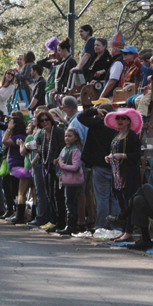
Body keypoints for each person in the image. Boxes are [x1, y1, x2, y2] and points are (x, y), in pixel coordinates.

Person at [77, 101, 120, 230]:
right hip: (115, 165)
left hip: (100, 165)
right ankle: (116, 226)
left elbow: (81, 116)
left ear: (102, 114)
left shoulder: (97, 124)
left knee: (102, 197)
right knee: (114, 197)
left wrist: (94, 111)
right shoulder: (118, 127)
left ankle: (101, 225)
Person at [103, 108, 143, 243]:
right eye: (118, 118)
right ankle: (124, 230)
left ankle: (128, 231)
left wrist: (123, 156)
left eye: (123, 118)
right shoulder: (117, 136)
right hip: (117, 174)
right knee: (121, 202)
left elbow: (137, 155)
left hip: (128, 174)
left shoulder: (132, 136)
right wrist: (109, 157)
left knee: (128, 203)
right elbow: (113, 151)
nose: (120, 121)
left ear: (129, 121)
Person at [62, 96, 94, 231]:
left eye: (63, 108)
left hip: (80, 162)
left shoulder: (76, 122)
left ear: (68, 108)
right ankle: (90, 220)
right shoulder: (82, 119)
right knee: (87, 192)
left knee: (81, 193)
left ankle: (81, 221)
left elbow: (79, 142)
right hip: (87, 160)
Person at [25, 110, 61, 230]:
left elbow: (62, 147)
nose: (45, 122)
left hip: (57, 166)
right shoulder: (41, 133)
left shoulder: (58, 132)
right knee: (49, 193)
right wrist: (29, 147)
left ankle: (58, 221)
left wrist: (58, 159)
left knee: (57, 194)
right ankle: (52, 219)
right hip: (46, 166)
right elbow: (34, 145)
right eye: (42, 121)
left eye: (47, 119)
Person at [56, 128, 84, 235]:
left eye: (70, 136)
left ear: (76, 138)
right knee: (68, 202)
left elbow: (76, 167)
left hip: (72, 181)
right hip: (65, 179)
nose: (67, 138)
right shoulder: (65, 148)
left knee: (70, 203)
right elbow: (60, 158)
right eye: (66, 136)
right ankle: (70, 225)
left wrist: (62, 165)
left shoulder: (76, 150)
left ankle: (71, 226)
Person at [5, 116, 31, 224]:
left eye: (10, 123)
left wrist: (8, 129)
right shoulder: (21, 136)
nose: (8, 124)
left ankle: (20, 215)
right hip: (19, 165)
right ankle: (20, 214)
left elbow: (4, 141)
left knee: (19, 192)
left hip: (18, 166)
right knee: (18, 191)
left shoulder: (19, 137)